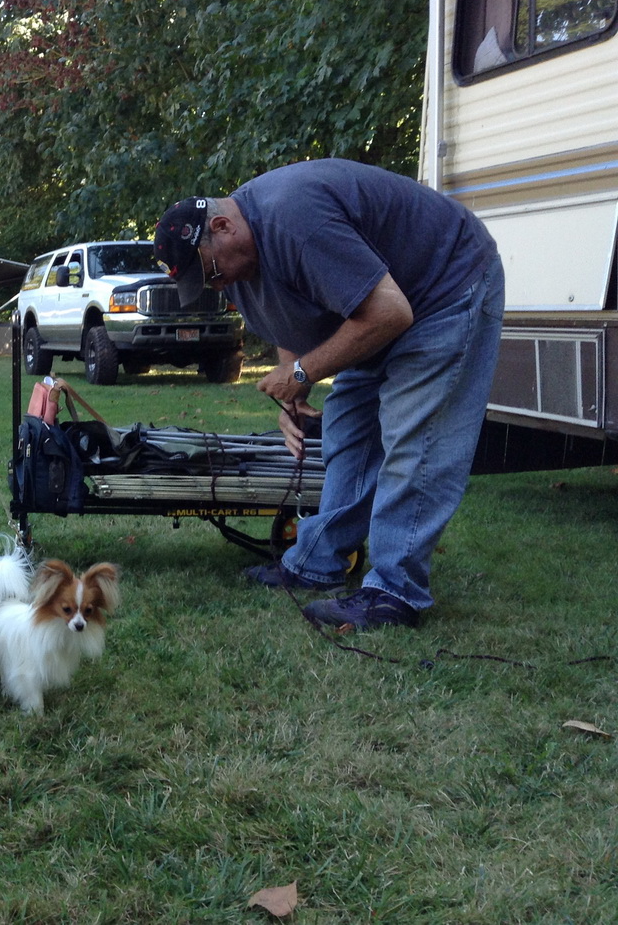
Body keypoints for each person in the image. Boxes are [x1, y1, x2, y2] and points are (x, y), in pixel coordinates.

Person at [153, 158, 503, 632]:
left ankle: (394, 592)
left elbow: (390, 313)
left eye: (211, 272)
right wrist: (293, 388)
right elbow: (281, 316)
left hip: (444, 288)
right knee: (347, 427)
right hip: (379, 310)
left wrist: (301, 373)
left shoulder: (295, 221)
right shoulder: (241, 259)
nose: (217, 285)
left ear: (222, 225)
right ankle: (316, 561)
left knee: (413, 437)